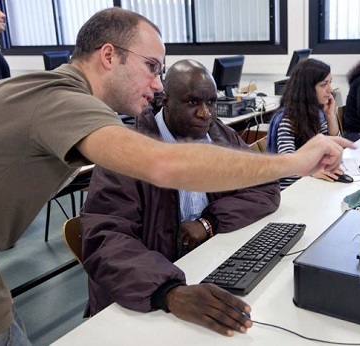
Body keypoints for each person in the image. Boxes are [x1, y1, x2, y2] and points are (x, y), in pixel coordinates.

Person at [0, 8, 352, 345]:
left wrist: (210, 223)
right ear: (109, 55)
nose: (157, 84)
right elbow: (164, 166)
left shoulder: (45, 92)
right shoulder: (62, 100)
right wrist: (295, 163)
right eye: (151, 67)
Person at [80, 59, 281, 335]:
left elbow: (266, 186)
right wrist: (170, 292)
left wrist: (210, 222)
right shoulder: (126, 152)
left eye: (211, 102)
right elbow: (105, 240)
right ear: (164, 100)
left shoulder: (220, 135)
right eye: (192, 103)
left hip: (203, 266)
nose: (205, 114)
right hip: (144, 293)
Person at [268, 58, 342, 190]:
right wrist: (312, 171)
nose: (330, 89)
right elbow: (286, 166)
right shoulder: (288, 120)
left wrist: (330, 115)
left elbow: (336, 148)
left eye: (330, 82)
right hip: (291, 190)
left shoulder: (318, 113)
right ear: (308, 89)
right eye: (323, 84)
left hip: (311, 184)